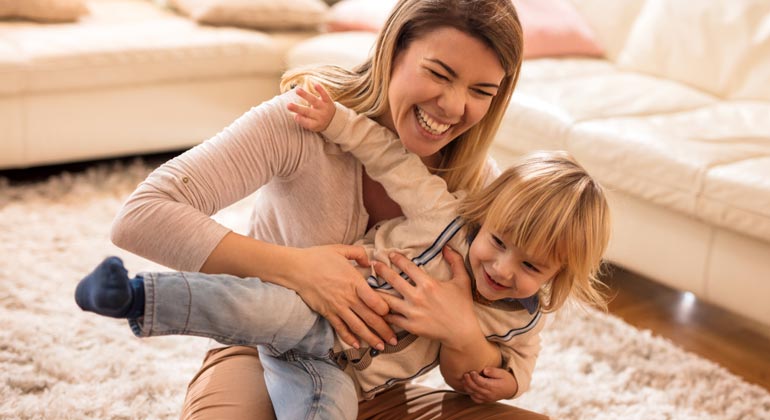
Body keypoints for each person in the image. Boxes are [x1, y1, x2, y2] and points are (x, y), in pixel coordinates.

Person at [105, 0, 545, 418]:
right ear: (393, 52)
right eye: (439, 73)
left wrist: (463, 330)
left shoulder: (479, 186)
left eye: (481, 91)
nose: (453, 106)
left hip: (371, 385)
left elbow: (504, 345)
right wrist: (298, 269)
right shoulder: (302, 121)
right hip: (262, 352)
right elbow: (142, 215)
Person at [77, 85, 611, 419]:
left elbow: (514, 371)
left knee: (324, 409)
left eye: (531, 267)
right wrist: (335, 121)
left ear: (558, 274)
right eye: (499, 243)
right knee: (251, 305)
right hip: (300, 319)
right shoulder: (447, 216)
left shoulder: (522, 315)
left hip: (345, 375)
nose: (501, 267)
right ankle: (134, 296)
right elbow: (390, 158)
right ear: (486, 217)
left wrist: (476, 347)